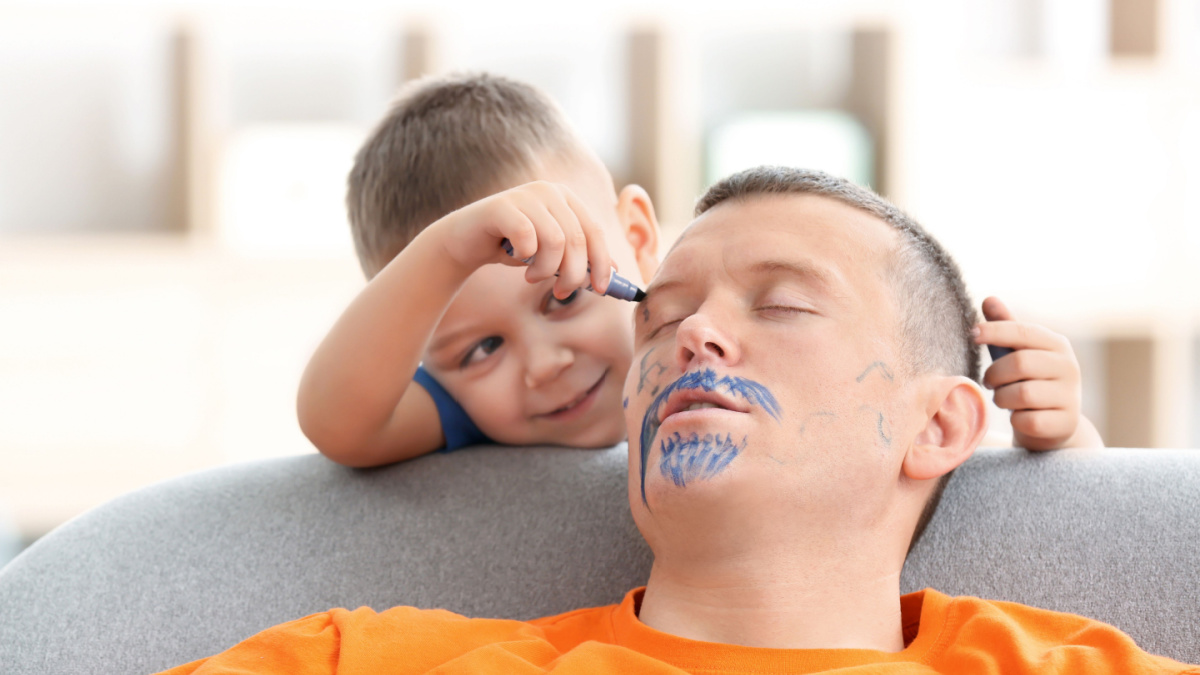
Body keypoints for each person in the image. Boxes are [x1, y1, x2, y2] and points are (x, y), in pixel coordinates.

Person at [159, 168, 1183, 674]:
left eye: (781, 303)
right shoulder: (369, 661)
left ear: (943, 427)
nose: (694, 338)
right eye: (661, 312)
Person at [298, 73, 1101, 469]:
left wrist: (1062, 428)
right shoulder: (465, 418)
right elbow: (336, 422)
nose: (543, 366)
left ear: (637, 236)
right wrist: (444, 252)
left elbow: (925, 435)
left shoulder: (732, 359)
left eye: (567, 295)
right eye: (480, 350)